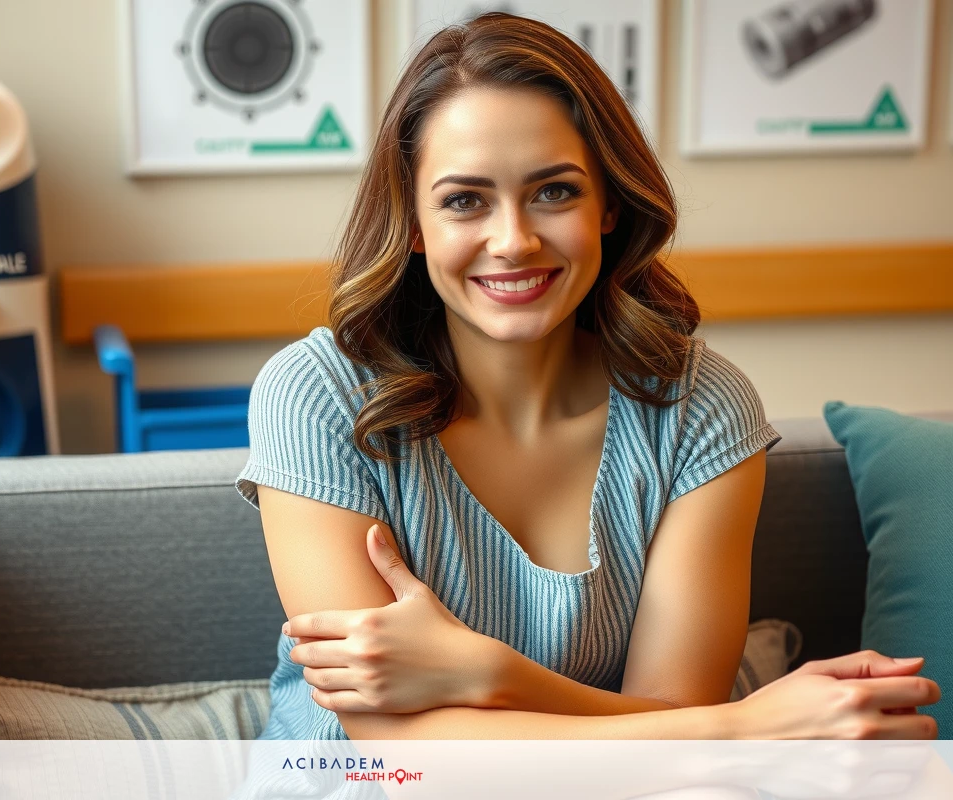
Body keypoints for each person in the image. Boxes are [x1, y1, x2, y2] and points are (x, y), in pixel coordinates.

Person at [234, 13, 939, 741]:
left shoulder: (700, 407)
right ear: (413, 223)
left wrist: (484, 672)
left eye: (555, 192)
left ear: (608, 203)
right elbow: (406, 755)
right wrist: (743, 730)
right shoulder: (315, 396)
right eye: (464, 200)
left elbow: (677, 716)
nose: (514, 241)